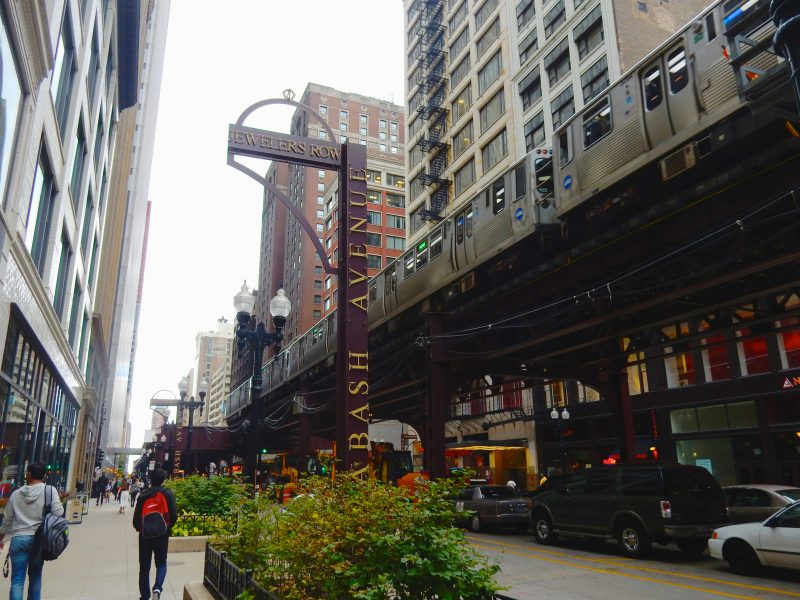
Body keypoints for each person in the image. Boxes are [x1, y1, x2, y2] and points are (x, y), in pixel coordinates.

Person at [0, 463, 65, 600]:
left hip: (18, 540)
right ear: (44, 475)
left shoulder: (16, 494)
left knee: (17, 580)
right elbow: (59, 512)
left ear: (28, 474)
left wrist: (1, 537)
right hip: (38, 541)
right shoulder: (49, 490)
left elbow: (7, 520)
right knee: (35, 577)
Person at [133, 468, 177, 600]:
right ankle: (157, 588)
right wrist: (166, 528)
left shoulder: (143, 495)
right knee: (161, 563)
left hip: (145, 536)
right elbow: (174, 515)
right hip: (162, 535)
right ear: (163, 480)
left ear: (150, 479)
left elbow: (135, 521)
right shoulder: (168, 494)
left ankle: (145, 596)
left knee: (144, 566)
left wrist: (142, 529)